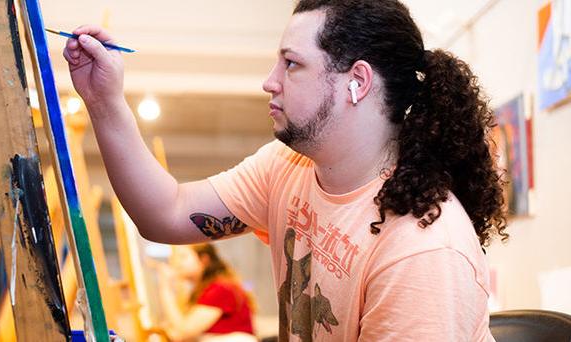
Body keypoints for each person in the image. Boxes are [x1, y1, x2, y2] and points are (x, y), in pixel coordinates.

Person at [63, 0, 507, 340]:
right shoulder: (288, 167)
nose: (269, 80)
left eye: (291, 63)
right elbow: (166, 213)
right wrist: (104, 102)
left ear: (357, 81)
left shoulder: (423, 249)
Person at [152, 244, 256, 341]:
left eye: (183, 257)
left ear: (203, 260)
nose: (176, 263)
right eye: (174, 258)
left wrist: (165, 288)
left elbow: (183, 332)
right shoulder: (206, 289)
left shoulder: (220, 289)